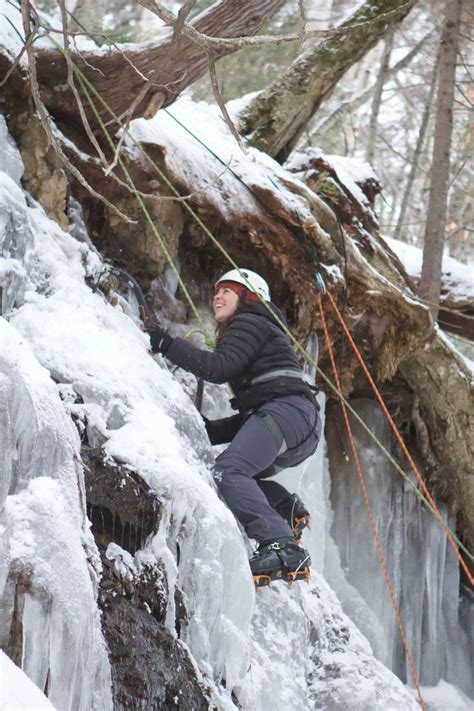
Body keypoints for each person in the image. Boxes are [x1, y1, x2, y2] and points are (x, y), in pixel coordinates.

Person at [148, 268, 322, 585]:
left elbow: (218, 368)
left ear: (249, 297)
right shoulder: (265, 329)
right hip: (298, 421)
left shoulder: (249, 321)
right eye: (217, 290)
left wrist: (165, 343)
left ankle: (282, 546)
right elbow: (255, 414)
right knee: (239, 474)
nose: (218, 295)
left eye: (228, 290)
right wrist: (210, 431)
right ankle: (284, 507)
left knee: (228, 471)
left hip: (287, 412)